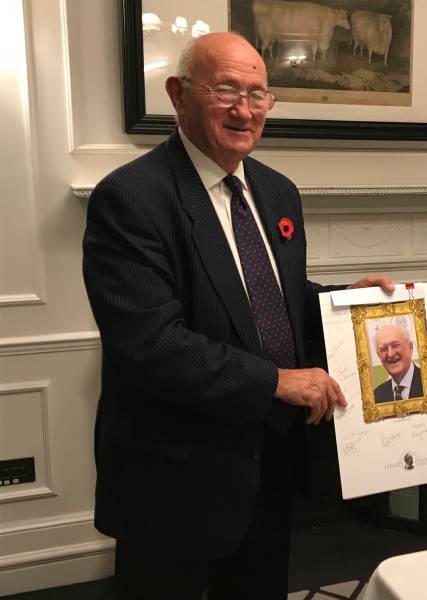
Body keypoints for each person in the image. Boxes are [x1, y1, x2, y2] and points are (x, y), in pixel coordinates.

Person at [82, 32, 392, 600]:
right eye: (225, 90)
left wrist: (347, 302)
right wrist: (277, 381)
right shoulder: (131, 197)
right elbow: (149, 343)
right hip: (174, 478)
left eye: (258, 94)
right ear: (178, 95)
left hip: (265, 462)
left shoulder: (277, 192)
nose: (244, 110)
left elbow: (270, 298)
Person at [372, 324, 423, 402]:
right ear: (379, 356)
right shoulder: (376, 396)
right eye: (384, 349)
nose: (390, 354)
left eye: (395, 345)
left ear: (410, 347)